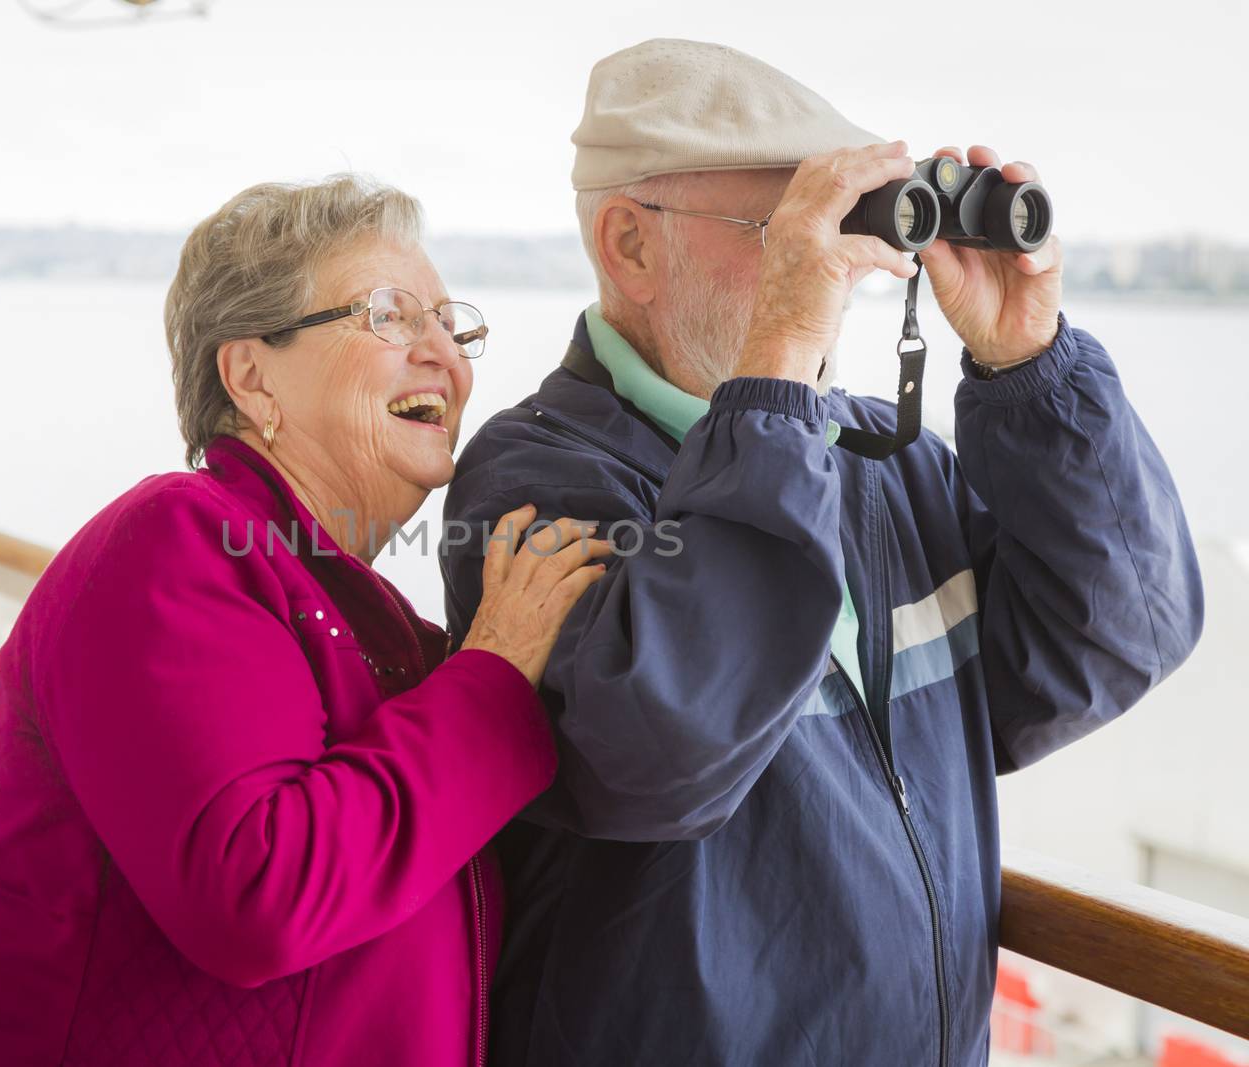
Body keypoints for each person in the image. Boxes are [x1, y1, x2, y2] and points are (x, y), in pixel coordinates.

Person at [440, 39, 1205, 1066]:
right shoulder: (535, 481)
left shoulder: (883, 466)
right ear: (628, 244)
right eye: (782, 228)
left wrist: (1026, 366)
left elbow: (1111, 641)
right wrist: (784, 352)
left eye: (842, 226)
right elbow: (661, 756)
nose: (834, 269)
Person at [0, 174, 611, 1066]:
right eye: (391, 316)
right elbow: (259, 896)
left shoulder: (381, 623)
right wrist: (497, 669)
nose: (446, 355)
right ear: (250, 375)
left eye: (452, 324)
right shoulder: (174, 541)